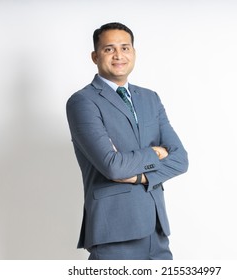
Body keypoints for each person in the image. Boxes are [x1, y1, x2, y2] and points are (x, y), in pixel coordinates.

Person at [66, 22, 188, 260]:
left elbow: (181, 159)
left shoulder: (150, 98)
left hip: (157, 230)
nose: (119, 55)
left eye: (125, 47)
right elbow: (113, 166)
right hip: (114, 232)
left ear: (134, 52)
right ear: (95, 56)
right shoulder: (83, 102)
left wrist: (141, 176)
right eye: (109, 49)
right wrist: (157, 152)